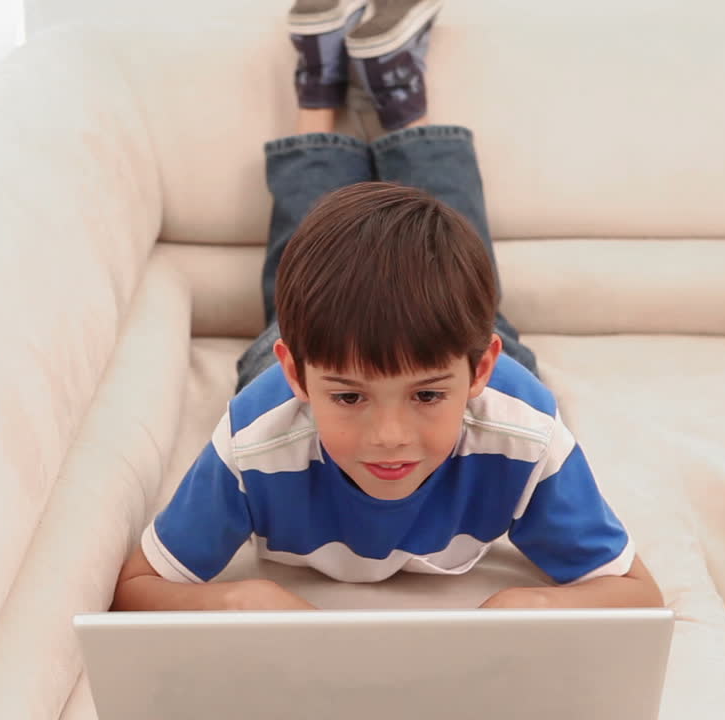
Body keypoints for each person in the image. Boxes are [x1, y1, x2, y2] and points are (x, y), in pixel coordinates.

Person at [112, 0, 663, 611]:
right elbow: (139, 586)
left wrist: (529, 608)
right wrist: (240, 602)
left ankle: (395, 93)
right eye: (349, 397)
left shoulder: (520, 429)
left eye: (427, 395)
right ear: (295, 373)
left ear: (480, 371)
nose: (390, 438)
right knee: (308, 243)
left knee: (453, 253)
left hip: (442, 344)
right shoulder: (254, 441)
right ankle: (324, 91)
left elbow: (634, 592)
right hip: (320, 349)